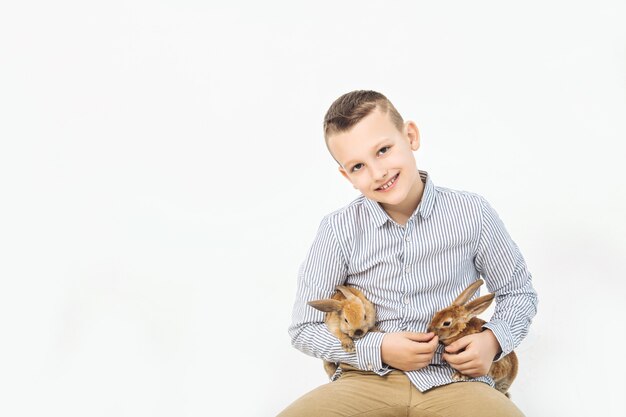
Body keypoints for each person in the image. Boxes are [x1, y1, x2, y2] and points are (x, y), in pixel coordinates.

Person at [277, 90, 538, 417]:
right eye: (358, 166)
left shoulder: (472, 213)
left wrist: (492, 341)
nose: (377, 173)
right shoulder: (338, 230)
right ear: (346, 175)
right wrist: (380, 348)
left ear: (410, 137)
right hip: (367, 378)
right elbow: (303, 328)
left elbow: (518, 292)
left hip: (456, 379)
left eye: (383, 150)